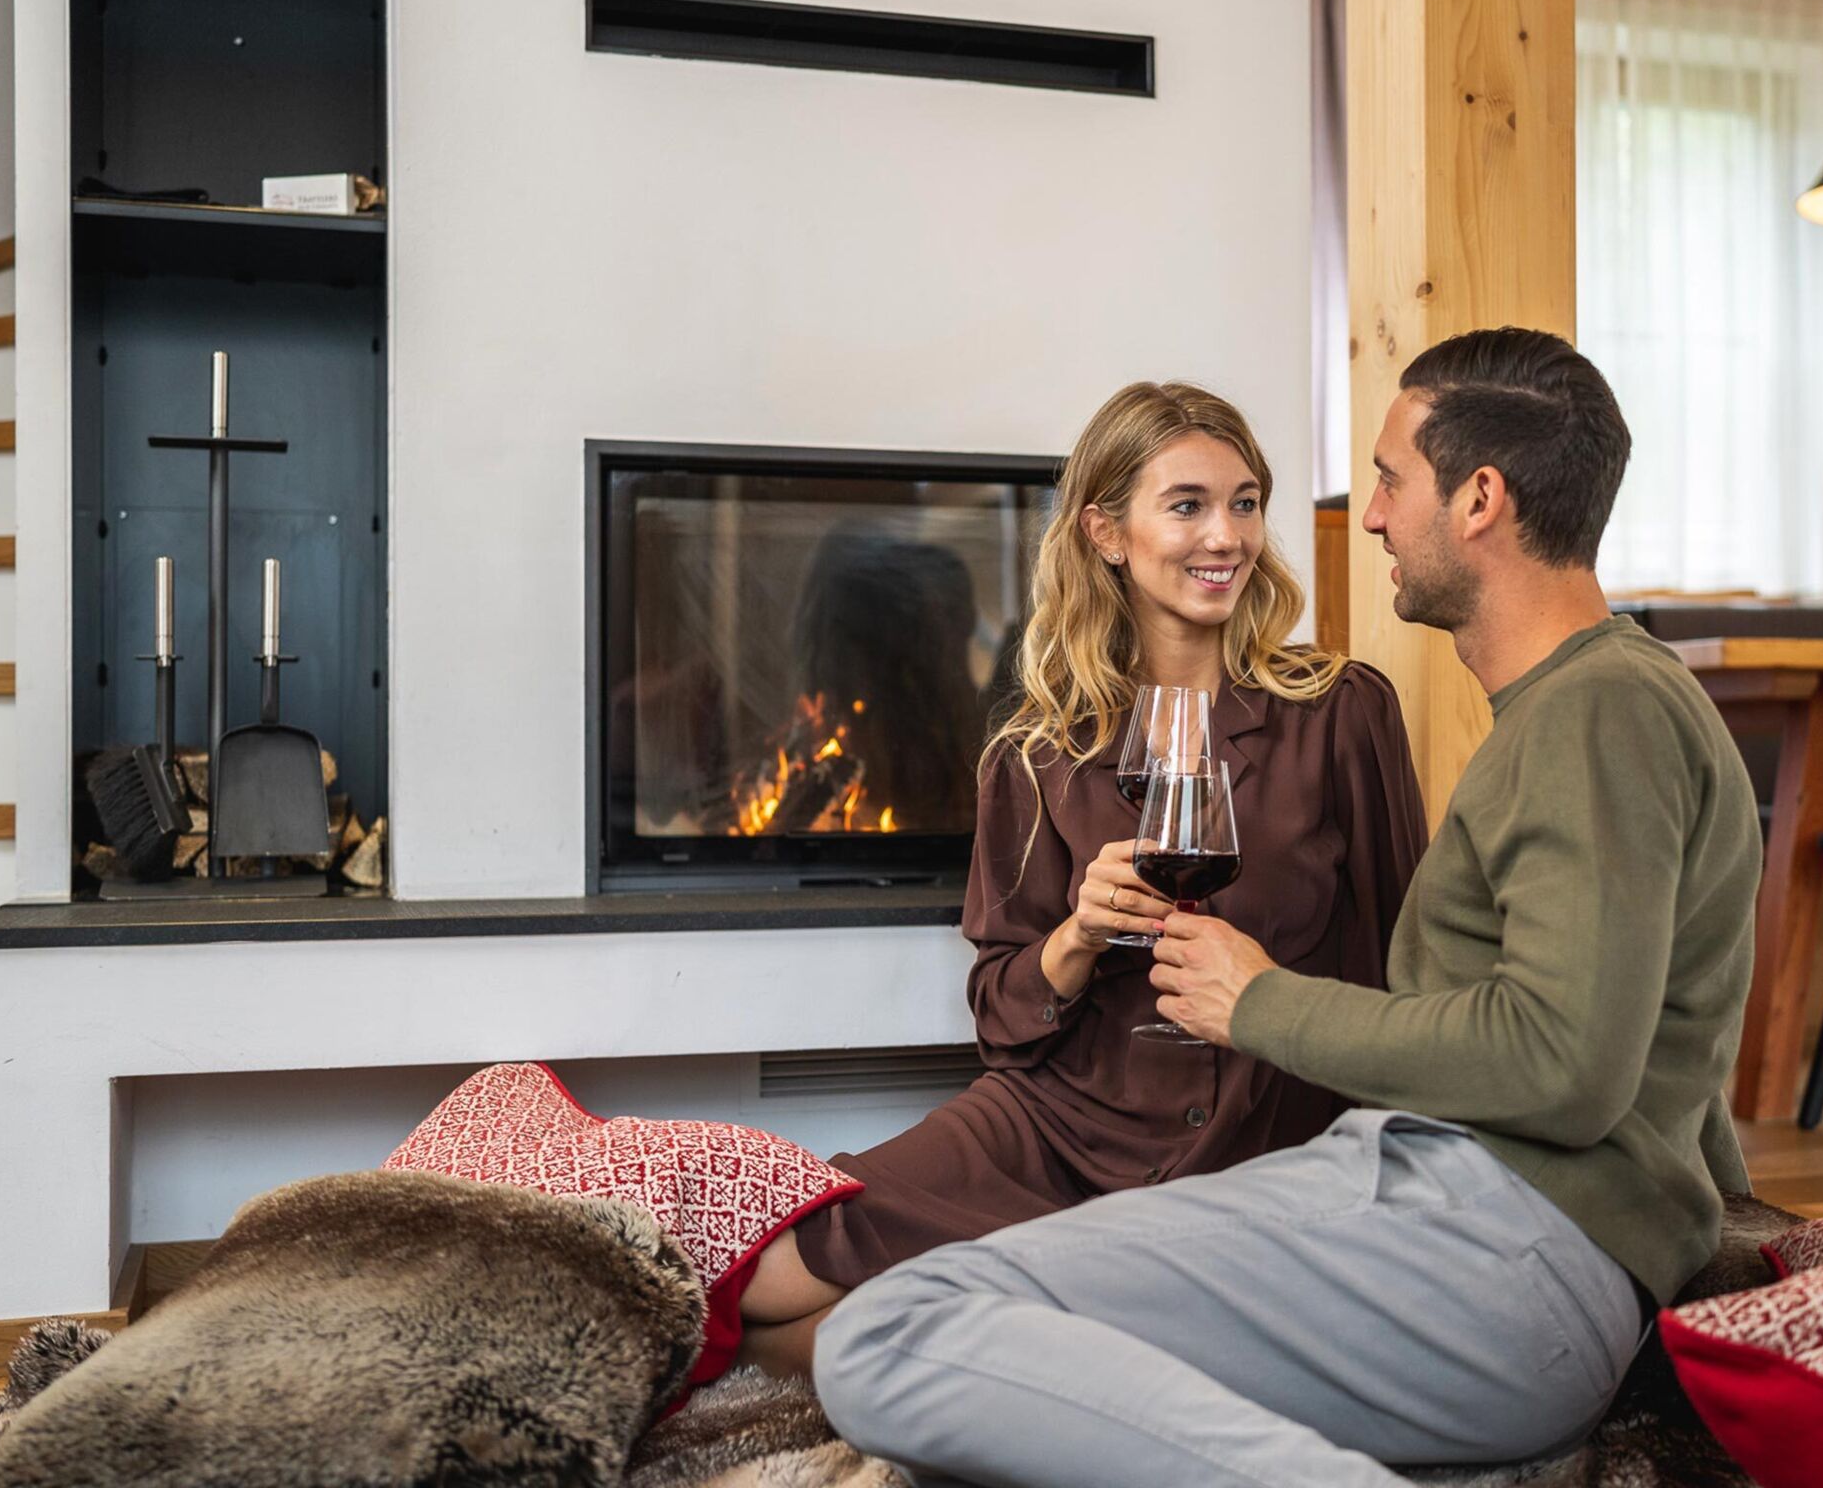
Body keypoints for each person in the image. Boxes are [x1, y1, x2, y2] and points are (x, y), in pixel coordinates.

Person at [811, 328, 1764, 1486]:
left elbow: (1565, 1060)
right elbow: (1654, 1033)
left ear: (1478, 500)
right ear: (1105, 536)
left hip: (1482, 1237)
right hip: (1422, 1198)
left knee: (893, 1333)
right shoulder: (1595, 705)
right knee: (918, 1324)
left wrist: (1256, 1002)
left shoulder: (1592, 713)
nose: (1367, 517)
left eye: (1388, 479)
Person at [732, 380, 1429, 1373]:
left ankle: (994, 1355)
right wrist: (1076, 937)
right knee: (762, 1285)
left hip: (1263, 1138)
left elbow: (1407, 961)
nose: (1224, 535)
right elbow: (1001, 1015)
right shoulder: (1036, 750)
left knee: (897, 1339)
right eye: (1186, 505)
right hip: (1059, 1122)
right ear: (1107, 532)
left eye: (1243, 502)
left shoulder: (1342, 710)